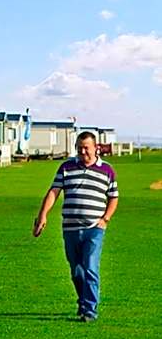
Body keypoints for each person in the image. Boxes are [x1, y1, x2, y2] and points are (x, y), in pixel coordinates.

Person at [33, 131, 118, 322]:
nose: (82, 152)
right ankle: (83, 301)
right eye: (79, 148)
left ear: (96, 147)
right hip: (70, 227)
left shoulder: (107, 170)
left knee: (90, 266)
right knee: (76, 270)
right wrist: (43, 215)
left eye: (86, 148)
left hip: (94, 228)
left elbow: (113, 197)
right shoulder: (67, 167)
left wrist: (105, 219)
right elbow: (54, 191)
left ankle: (90, 310)